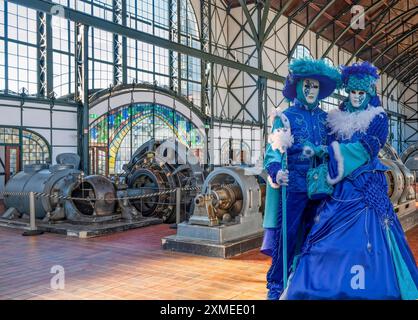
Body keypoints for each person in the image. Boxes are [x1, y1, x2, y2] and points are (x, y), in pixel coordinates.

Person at [283, 61, 418, 300]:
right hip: (338, 190)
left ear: (369, 93)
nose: (356, 97)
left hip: (366, 189)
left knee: (369, 240)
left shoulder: (378, 119)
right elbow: (329, 144)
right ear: (347, 92)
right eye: (352, 92)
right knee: (325, 240)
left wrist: (333, 154)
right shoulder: (335, 118)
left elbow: (368, 148)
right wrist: (320, 150)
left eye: (361, 92)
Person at [262, 58, 341, 299]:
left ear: (320, 90)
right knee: (287, 235)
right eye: (306, 85)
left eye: (314, 86)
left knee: (318, 235)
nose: (310, 90)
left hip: (320, 188)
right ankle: (276, 284)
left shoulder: (326, 119)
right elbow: (273, 152)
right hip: (294, 187)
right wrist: (276, 171)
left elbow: (335, 148)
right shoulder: (284, 117)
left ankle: (310, 279)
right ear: (297, 87)